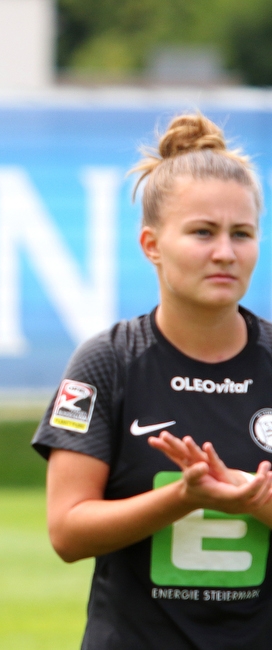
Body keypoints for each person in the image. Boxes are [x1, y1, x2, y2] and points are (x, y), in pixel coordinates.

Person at [32, 113, 272, 649]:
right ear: (151, 244)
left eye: (243, 234)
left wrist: (253, 501)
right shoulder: (104, 363)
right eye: (203, 232)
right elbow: (67, 532)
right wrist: (182, 497)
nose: (226, 252)